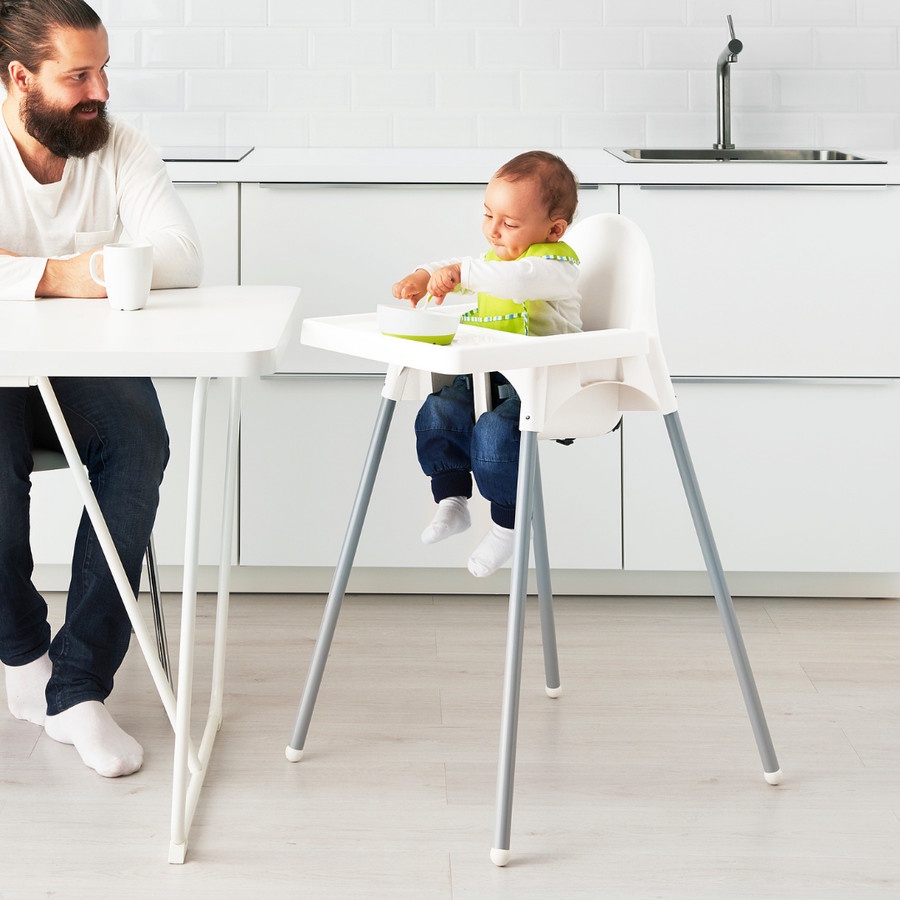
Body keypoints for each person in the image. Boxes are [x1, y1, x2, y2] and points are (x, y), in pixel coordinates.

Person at [0, 0, 202, 777]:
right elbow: (135, 264)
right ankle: (22, 653)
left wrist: (21, 269)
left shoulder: (120, 148)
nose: (100, 91)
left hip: (82, 369)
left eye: (104, 69)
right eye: (78, 75)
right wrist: (69, 271)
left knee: (141, 444)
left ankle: (78, 685)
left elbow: (182, 256)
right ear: (21, 78)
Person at [392, 150, 581, 578]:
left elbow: (515, 280)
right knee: (437, 409)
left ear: (554, 229)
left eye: (509, 224)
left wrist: (461, 273)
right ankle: (452, 499)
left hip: (544, 382)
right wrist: (426, 275)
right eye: (488, 215)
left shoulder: (556, 265)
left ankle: (508, 524)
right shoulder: (496, 258)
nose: (493, 231)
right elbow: (471, 266)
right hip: (492, 372)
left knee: (494, 432)